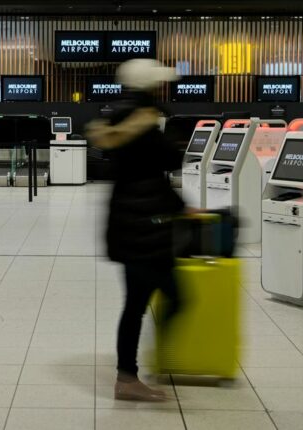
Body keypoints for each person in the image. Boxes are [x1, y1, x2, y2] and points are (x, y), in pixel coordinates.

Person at [86, 59, 185, 402]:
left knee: (136, 304)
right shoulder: (144, 120)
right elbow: (170, 161)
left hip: (130, 221)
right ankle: (135, 372)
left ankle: (130, 375)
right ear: (149, 86)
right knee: (173, 297)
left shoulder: (118, 116)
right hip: (145, 226)